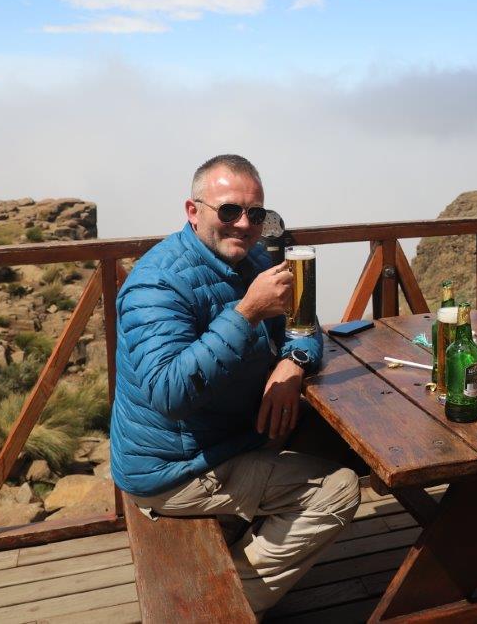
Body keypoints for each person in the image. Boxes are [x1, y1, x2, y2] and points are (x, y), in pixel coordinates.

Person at [110, 154, 360, 617]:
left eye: (255, 214)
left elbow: (305, 326)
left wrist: (293, 365)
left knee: (347, 440)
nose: (244, 225)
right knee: (339, 489)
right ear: (193, 211)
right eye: (228, 211)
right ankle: (220, 609)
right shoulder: (157, 285)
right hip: (175, 468)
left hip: (233, 435)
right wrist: (246, 313)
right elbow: (168, 394)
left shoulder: (254, 259)